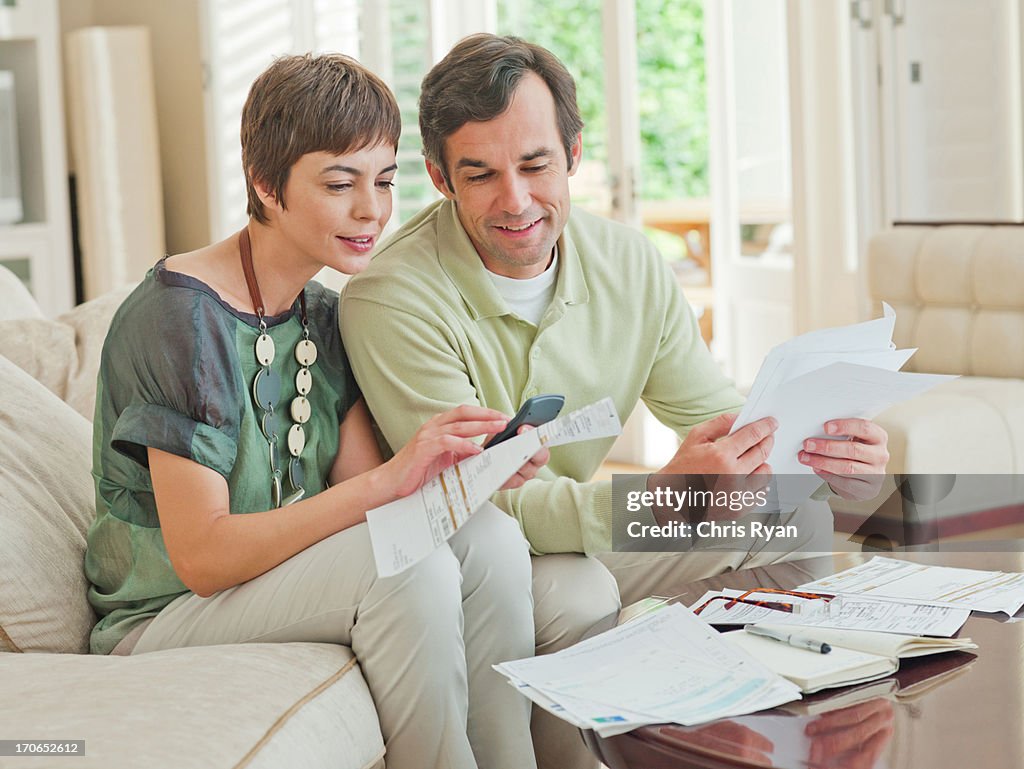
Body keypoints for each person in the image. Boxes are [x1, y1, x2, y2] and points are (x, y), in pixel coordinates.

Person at [340, 34, 889, 769]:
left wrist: (817, 455)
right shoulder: (391, 298)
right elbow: (473, 507)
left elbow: (721, 419)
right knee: (574, 590)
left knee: (798, 520)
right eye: (481, 175)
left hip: (586, 527)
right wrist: (656, 501)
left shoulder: (629, 262)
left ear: (573, 153)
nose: (517, 201)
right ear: (440, 178)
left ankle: (756, 735)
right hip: (471, 558)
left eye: (536, 165)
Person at [84, 53, 547, 769]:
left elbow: (369, 486)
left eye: (385, 181)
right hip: (166, 612)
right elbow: (204, 557)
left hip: (268, 581)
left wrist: (467, 471)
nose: (371, 209)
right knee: (405, 571)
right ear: (266, 185)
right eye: (340, 183)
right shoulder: (179, 317)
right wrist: (388, 481)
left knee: (490, 540)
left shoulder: (323, 314)